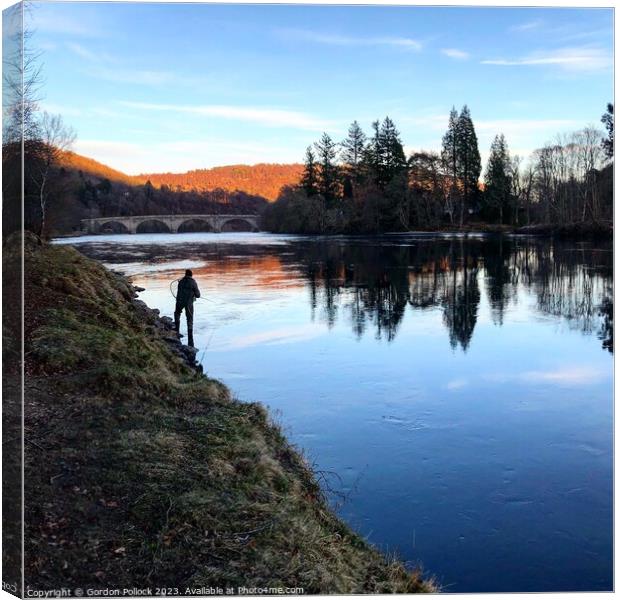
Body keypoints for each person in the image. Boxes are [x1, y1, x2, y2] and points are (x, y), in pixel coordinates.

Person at [174, 269, 201, 347]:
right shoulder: (193, 282)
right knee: (189, 319)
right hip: (189, 303)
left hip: (179, 301)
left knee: (177, 313)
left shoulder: (181, 282)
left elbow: (179, 292)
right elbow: (198, 295)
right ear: (191, 275)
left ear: (185, 274)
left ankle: (176, 329)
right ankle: (190, 338)